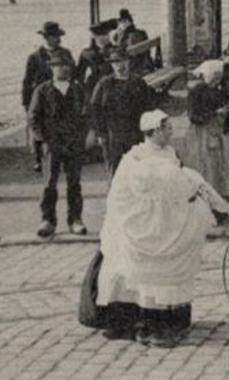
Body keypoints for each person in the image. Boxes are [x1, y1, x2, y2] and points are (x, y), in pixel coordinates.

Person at [95, 111, 229, 346]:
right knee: (139, 273)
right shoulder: (135, 159)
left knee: (168, 269)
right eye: (168, 128)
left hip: (166, 219)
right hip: (142, 223)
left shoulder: (169, 153)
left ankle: (170, 320)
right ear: (156, 130)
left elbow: (176, 185)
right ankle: (143, 323)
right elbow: (130, 194)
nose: (172, 131)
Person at [31, 54, 89, 238]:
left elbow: (87, 114)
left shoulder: (78, 89)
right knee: (49, 183)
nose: (63, 69)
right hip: (52, 143)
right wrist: (43, 139)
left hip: (73, 142)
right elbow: (33, 117)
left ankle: (75, 220)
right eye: (58, 66)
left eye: (66, 66)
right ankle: (47, 220)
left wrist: (83, 136)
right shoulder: (42, 90)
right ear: (51, 68)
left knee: (74, 183)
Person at [88, 50, 159, 176]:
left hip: (134, 133)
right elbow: (94, 109)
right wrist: (99, 133)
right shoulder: (104, 84)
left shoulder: (138, 83)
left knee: (137, 169)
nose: (120, 66)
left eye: (123, 61)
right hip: (112, 134)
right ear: (111, 65)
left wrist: (149, 132)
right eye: (116, 63)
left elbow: (148, 108)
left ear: (129, 62)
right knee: (115, 171)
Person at [22, 21, 71, 172]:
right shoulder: (35, 57)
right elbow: (27, 81)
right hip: (42, 96)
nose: (58, 39)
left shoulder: (65, 53)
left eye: (58, 36)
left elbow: (72, 73)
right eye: (54, 37)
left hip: (61, 93)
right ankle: (38, 158)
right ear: (46, 38)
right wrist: (26, 103)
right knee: (39, 126)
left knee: (61, 124)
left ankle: (63, 155)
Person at [179, 73, 229, 199]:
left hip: (219, 131)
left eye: (218, 77)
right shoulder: (196, 92)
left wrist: (228, 110)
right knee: (206, 164)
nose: (216, 80)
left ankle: (220, 192)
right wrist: (215, 113)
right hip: (202, 133)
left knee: (221, 163)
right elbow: (194, 116)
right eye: (213, 77)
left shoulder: (221, 89)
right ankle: (205, 193)